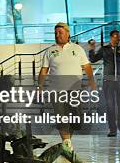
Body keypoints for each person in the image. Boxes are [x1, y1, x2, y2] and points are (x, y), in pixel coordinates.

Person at [38, 22, 96, 151]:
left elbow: (87, 66)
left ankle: (68, 140)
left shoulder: (77, 49)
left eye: (60, 32)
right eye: (56, 33)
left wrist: (92, 82)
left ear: (67, 33)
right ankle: (67, 143)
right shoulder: (50, 51)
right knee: (62, 118)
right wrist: (40, 86)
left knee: (76, 119)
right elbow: (44, 70)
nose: (57, 35)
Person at [88, 30, 120, 137]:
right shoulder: (104, 49)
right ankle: (112, 130)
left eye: (119, 37)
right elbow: (93, 59)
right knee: (110, 106)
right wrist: (92, 48)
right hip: (108, 82)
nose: (118, 39)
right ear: (111, 37)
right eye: (116, 37)